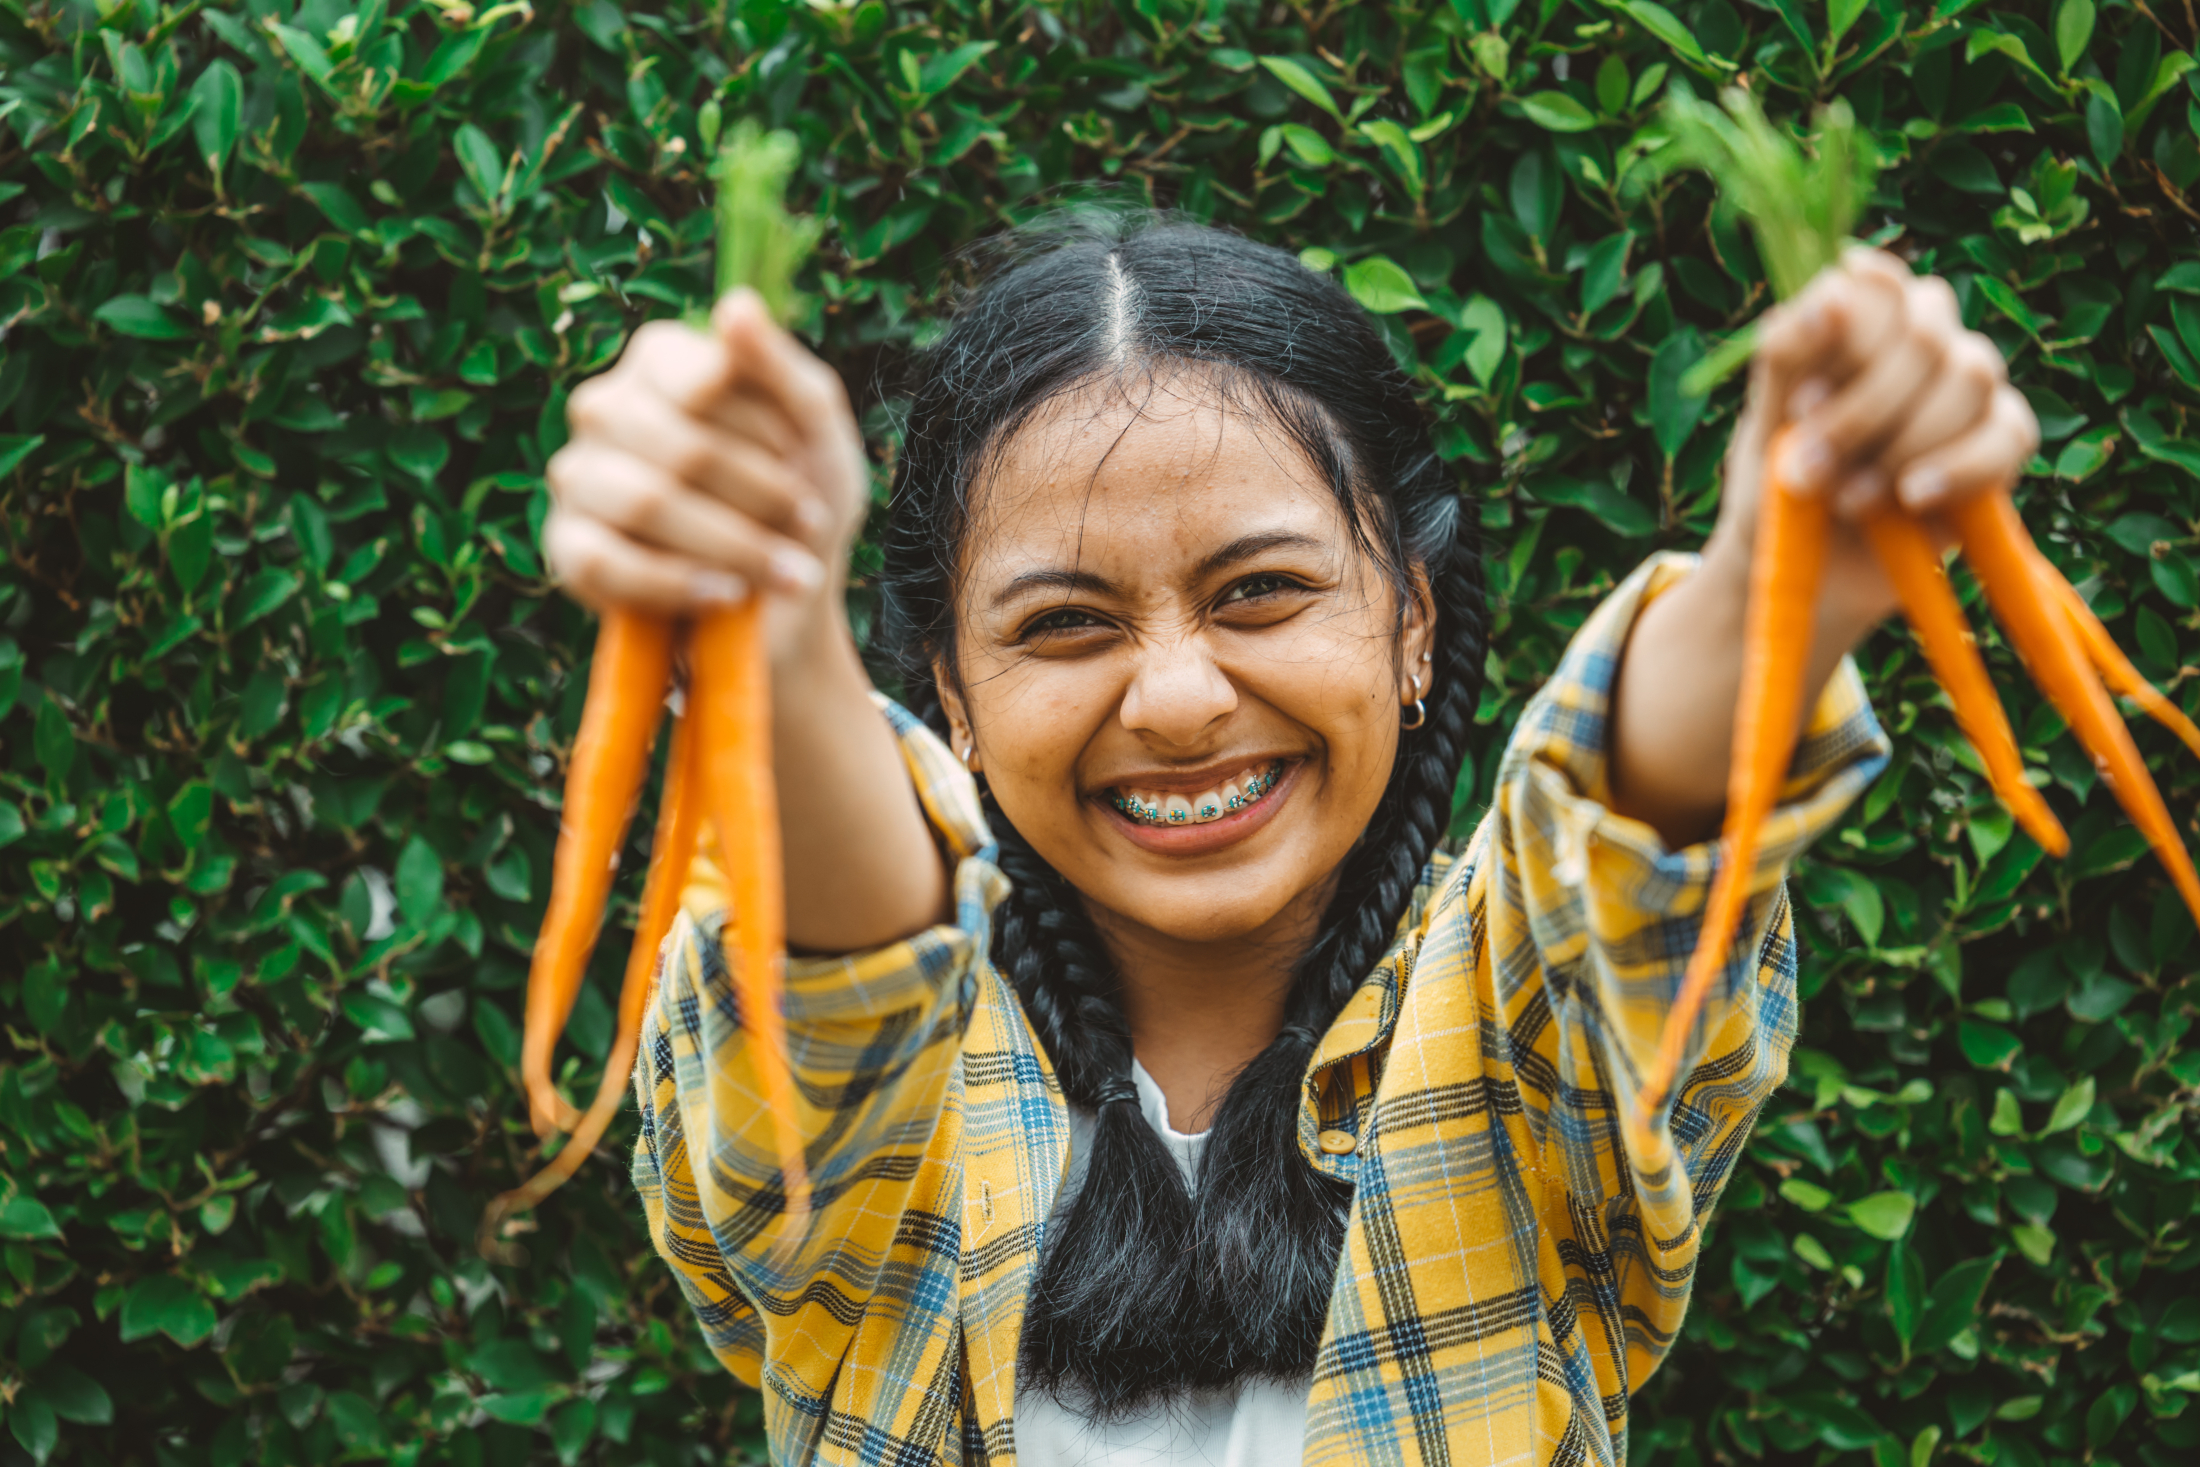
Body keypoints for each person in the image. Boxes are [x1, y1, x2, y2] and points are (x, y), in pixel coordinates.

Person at [540, 219, 2035, 1466]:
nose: (1180, 701)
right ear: (953, 700)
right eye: (1064, 624)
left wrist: (1778, 579)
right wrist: (776, 639)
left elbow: (1624, 868)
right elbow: (831, 982)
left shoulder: (1511, 1041)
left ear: (1413, 625)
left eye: (1260, 591)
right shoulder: (909, 1099)